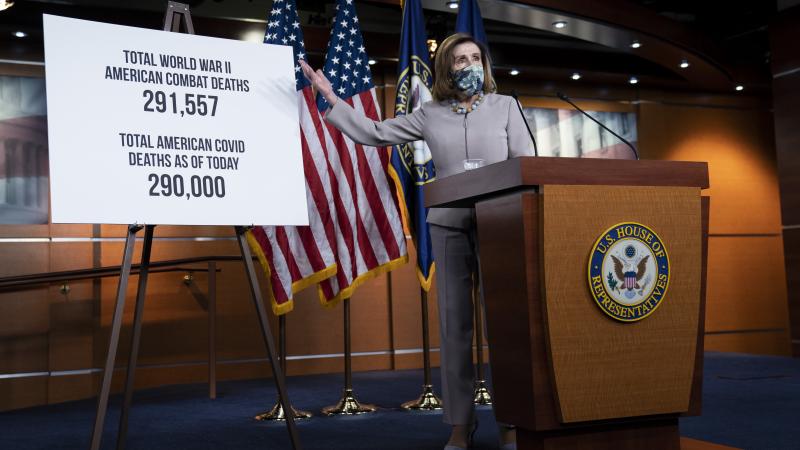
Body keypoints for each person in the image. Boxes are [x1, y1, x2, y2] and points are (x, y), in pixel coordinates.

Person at [300, 33, 534, 450]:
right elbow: (374, 132)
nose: (469, 65)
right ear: (447, 68)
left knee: (507, 328)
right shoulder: (429, 113)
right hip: (449, 223)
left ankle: (513, 422)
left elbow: (527, 165)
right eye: (460, 60)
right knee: (455, 328)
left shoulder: (507, 107)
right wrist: (331, 99)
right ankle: (461, 424)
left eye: (475, 57)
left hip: (502, 225)